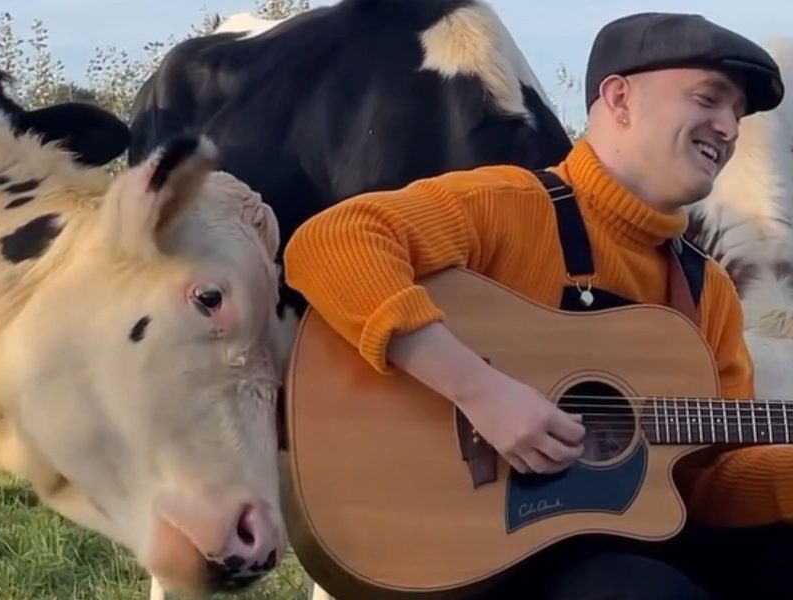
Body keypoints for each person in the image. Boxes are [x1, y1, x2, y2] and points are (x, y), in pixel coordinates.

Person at [284, 11, 789, 600]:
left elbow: (706, 482)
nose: (729, 127)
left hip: (624, 538)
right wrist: (482, 392)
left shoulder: (707, 289)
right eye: (710, 99)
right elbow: (333, 241)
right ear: (620, 98)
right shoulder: (509, 205)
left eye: (738, 113)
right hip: (479, 548)